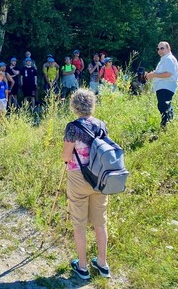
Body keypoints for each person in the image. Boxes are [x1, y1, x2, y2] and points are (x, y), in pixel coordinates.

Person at [62, 89, 111, 280]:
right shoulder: (101, 125)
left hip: (78, 177)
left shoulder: (72, 127)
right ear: (92, 105)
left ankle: (82, 267)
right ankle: (102, 264)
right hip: (100, 178)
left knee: (79, 223)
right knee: (100, 222)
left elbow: (66, 156)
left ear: (74, 106)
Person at [146, 42, 178, 127]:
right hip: (163, 86)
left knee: (164, 106)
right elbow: (163, 73)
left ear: (168, 49)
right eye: (158, 49)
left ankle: (165, 125)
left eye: (162, 48)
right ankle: (168, 124)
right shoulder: (165, 59)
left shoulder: (168, 59)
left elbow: (168, 74)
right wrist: (152, 74)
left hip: (166, 86)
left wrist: (154, 75)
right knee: (164, 105)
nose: (160, 50)